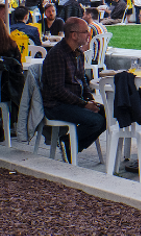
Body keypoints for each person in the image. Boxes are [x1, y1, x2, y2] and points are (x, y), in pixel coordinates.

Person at [41, 17, 105, 159]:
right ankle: (67, 143)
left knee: (106, 115)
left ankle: (71, 147)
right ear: (74, 35)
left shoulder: (77, 53)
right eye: (86, 32)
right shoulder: (57, 54)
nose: (89, 35)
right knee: (97, 121)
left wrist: (90, 100)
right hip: (56, 106)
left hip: (72, 102)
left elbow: (82, 79)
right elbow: (58, 90)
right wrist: (84, 104)